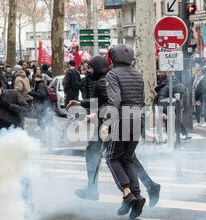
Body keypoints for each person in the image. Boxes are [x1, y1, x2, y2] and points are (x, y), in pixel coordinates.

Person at [67, 56, 160, 206]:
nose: (88, 71)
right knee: (125, 157)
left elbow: (110, 104)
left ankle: (130, 191)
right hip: (115, 122)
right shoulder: (107, 79)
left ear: (97, 68)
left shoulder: (105, 81)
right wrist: (83, 104)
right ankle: (146, 187)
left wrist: (97, 116)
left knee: (118, 157)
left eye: (90, 68)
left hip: (110, 124)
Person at [100, 44, 147, 219]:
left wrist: (107, 123)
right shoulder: (137, 73)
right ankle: (137, 194)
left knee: (112, 157)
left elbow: (115, 100)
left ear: (113, 58)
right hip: (138, 117)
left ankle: (127, 193)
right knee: (127, 157)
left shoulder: (112, 74)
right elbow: (142, 99)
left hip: (121, 119)